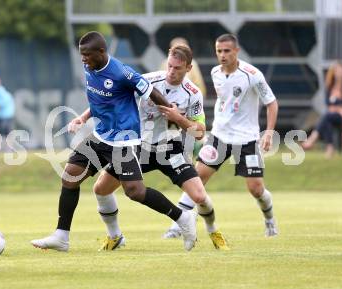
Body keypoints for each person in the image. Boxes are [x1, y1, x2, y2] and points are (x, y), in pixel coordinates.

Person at [30, 31, 197, 252]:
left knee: (134, 191)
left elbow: (150, 91)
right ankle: (62, 236)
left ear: (101, 52)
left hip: (124, 141)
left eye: (87, 55)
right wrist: (83, 117)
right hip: (100, 136)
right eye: (81, 55)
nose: (83, 59)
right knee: (70, 177)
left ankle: (182, 218)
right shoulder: (90, 67)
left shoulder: (122, 73)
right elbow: (101, 100)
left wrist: (172, 111)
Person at [91, 43, 229, 251]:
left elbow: (200, 131)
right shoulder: (147, 81)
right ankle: (115, 236)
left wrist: (178, 118)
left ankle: (213, 230)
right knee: (101, 189)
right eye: (170, 66)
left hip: (170, 149)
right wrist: (85, 116)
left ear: (188, 69)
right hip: (138, 147)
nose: (172, 72)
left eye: (178, 68)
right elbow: (111, 99)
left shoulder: (192, 93)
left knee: (199, 196)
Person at [163, 33, 279, 238]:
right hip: (219, 136)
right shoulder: (215, 72)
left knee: (256, 189)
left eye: (227, 51)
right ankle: (178, 226)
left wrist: (268, 133)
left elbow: (271, 103)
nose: (222, 55)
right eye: (219, 51)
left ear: (236, 51)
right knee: (196, 178)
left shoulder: (252, 74)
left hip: (247, 139)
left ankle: (269, 219)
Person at [302, 61, 342, 158]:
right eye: (337, 71)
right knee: (327, 119)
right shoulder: (329, 87)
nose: (339, 73)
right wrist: (339, 105)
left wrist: (337, 104)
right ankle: (329, 146)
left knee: (326, 116)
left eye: (341, 71)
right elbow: (329, 104)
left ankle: (316, 141)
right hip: (334, 115)